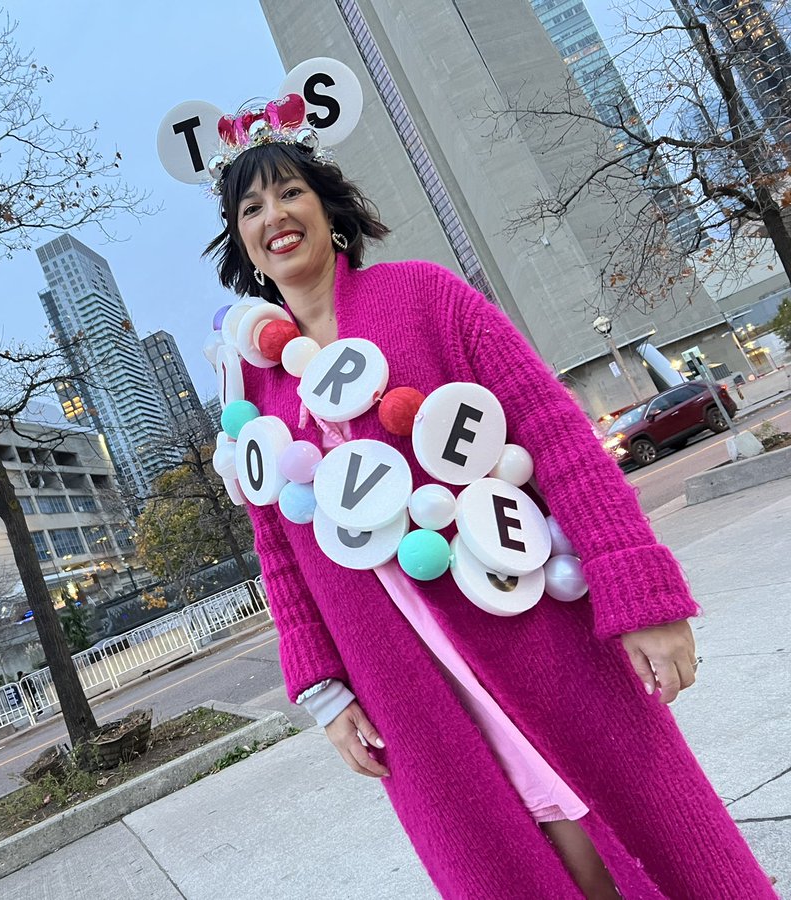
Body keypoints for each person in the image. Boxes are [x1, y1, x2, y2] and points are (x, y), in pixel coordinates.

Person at [200, 126, 776, 897]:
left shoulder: (424, 296)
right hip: (403, 685)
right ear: (241, 241)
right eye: (251, 206)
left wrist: (640, 596)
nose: (274, 213)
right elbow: (277, 550)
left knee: (635, 833)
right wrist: (323, 690)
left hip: (527, 627)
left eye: (290, 191)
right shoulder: (253, 390)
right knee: (517, 859)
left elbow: (557, 434)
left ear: (329, 209)